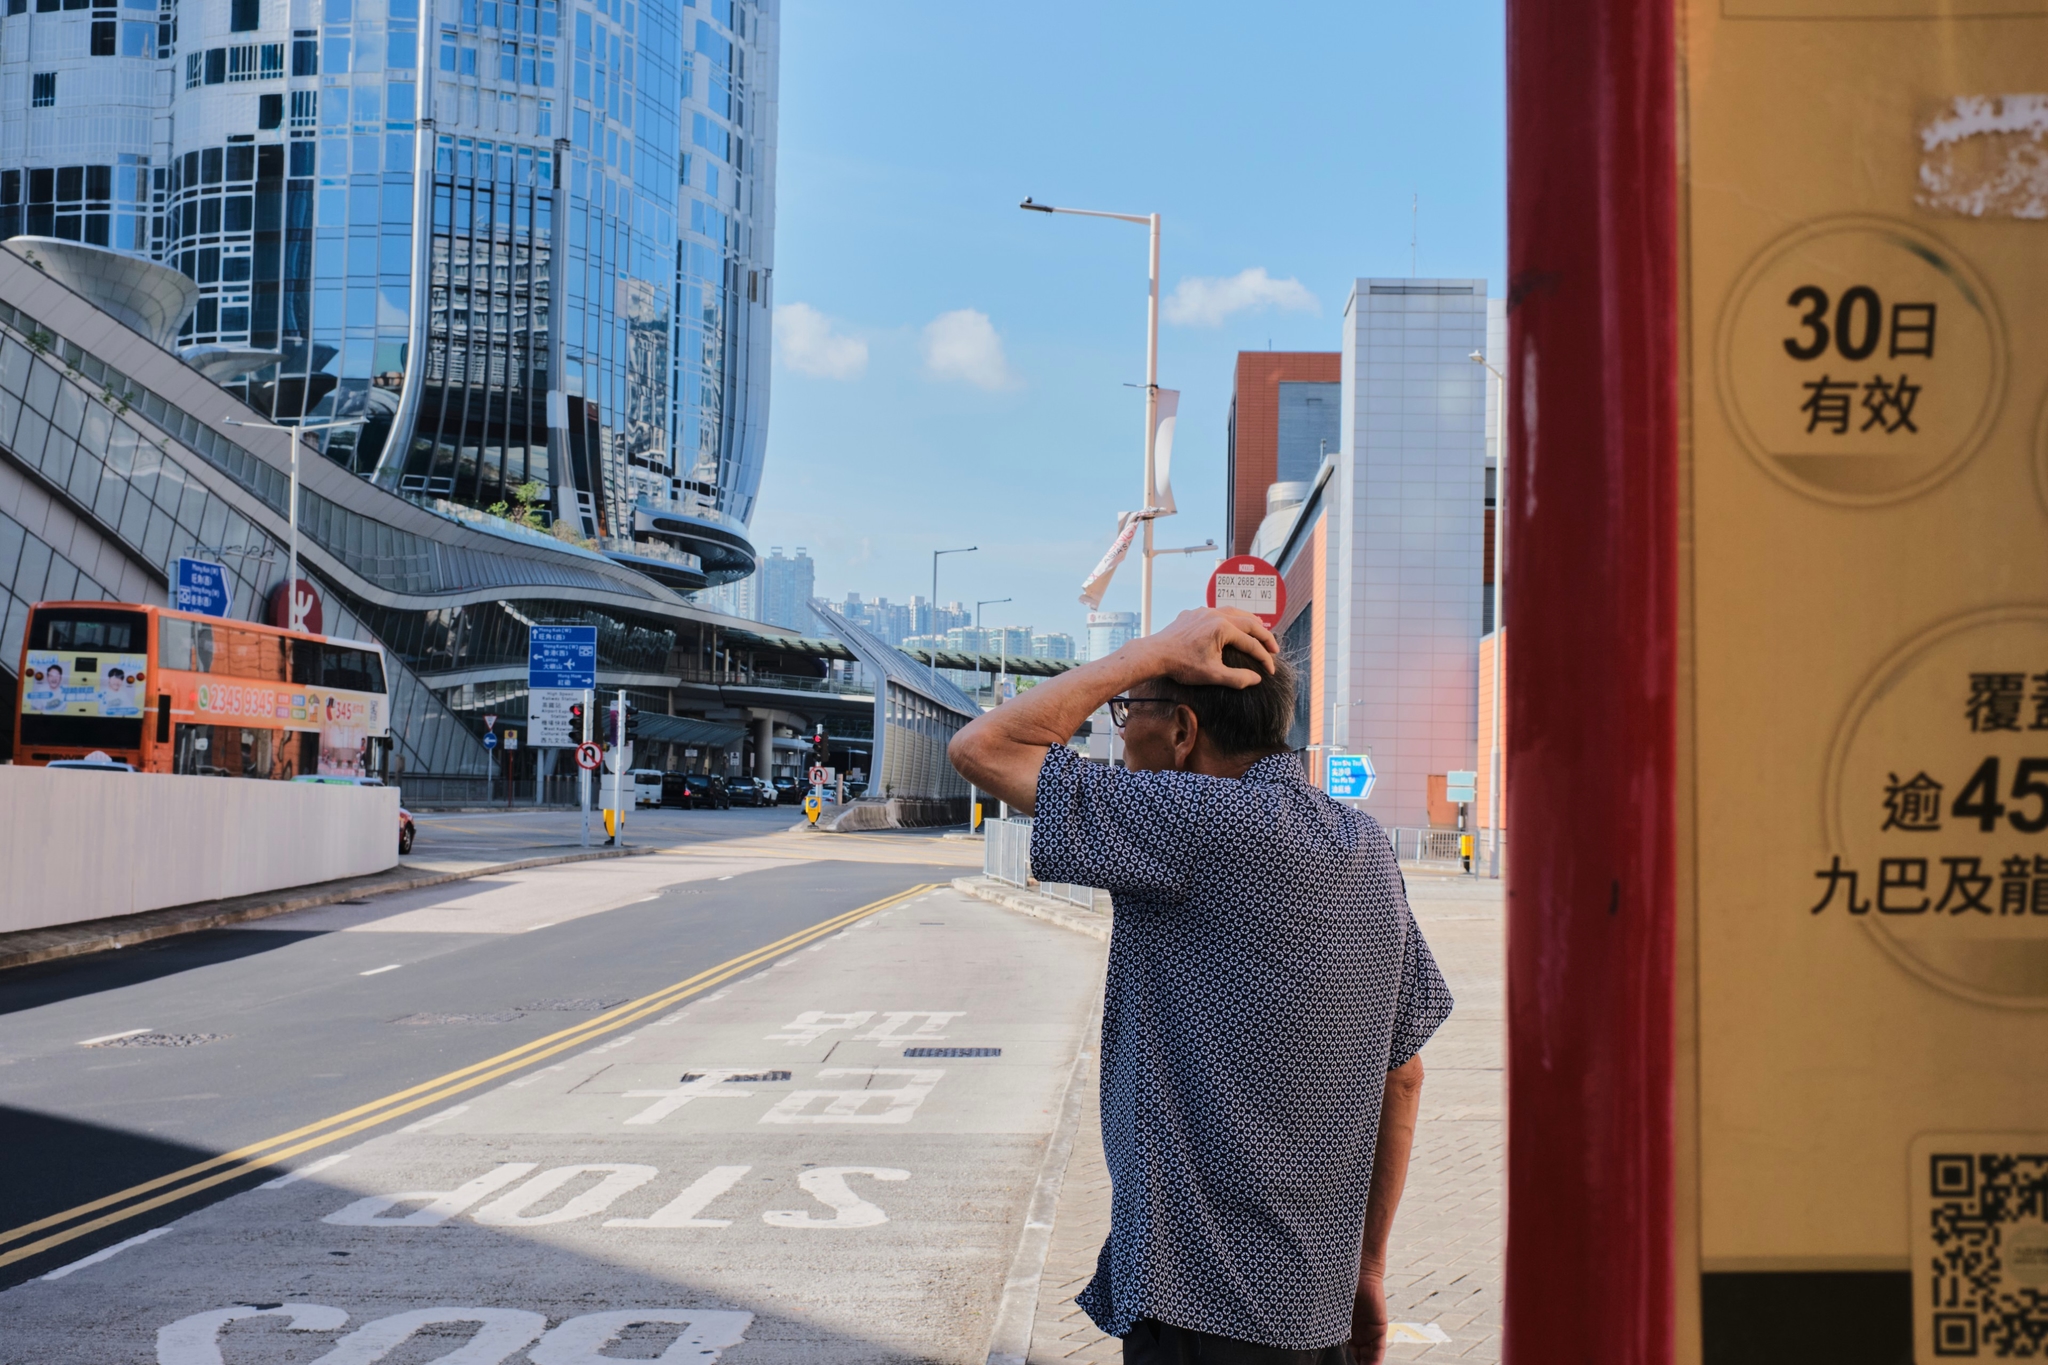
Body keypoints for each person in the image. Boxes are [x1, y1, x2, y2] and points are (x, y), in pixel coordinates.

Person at [949, 607, 1453, 1365]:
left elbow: (982, 747)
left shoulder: (1192, 818)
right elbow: (1403, 1074)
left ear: (1183, 730)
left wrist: (1142, 651)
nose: (1120, 734)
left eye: (1130, 711)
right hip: (1320, 1314)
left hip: (1203, 1313)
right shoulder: (1367, 847)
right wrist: (1369, 1270)